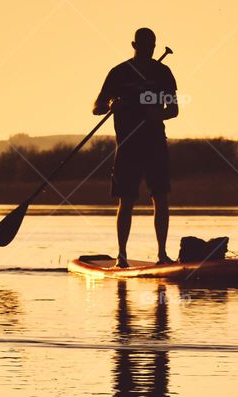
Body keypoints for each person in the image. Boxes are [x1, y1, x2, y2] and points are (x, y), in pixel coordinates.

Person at [93, 27, 178, 267]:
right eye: (143, 46)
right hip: (127, 145)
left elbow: (173, 110)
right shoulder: (118, 73)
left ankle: (162, 255)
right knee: (126, 199)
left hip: (154, 143)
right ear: (134, 45)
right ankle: (121, 257)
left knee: (160, 196)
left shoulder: (163, 72)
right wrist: (112, 103)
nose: (148, 51)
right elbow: (96, 107)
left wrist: (156, 114)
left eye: (151, 46)